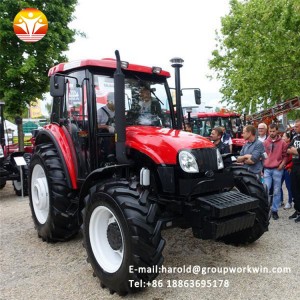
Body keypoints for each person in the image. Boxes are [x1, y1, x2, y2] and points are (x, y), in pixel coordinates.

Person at [263, 124, 288, 220]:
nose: (272, 133)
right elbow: (263, 156)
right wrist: (263, 167)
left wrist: (282, 165)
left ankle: (274, 210)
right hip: (267, 169)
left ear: (277, 131)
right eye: (270, 131)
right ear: (268, 131)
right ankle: (265, 209)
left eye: (274, 131)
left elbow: (285, 155)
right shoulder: (265, 142)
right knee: (266, 189)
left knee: (277, 191)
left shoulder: (282, 143)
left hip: (277, 169)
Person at [287, 119, 300, 223]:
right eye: (295, 126)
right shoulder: (295, 137)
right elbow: (288, 148)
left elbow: (293, 150)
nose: (294, 128)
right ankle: (297, 210)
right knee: (294, 189)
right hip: (294, 166)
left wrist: (294, 151)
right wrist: (296, 151)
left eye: (297, 126)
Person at [280, 131, 294, 209]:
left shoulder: (291, 147)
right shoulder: (281, 146)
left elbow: (293, 159)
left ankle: (289, 202)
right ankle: (280, 200)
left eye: (284, 137)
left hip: (288, 168)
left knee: (289, 186)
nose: (282, 138)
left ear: (288, 138)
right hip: (282, 168)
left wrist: (288, 166)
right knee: (279, 185)